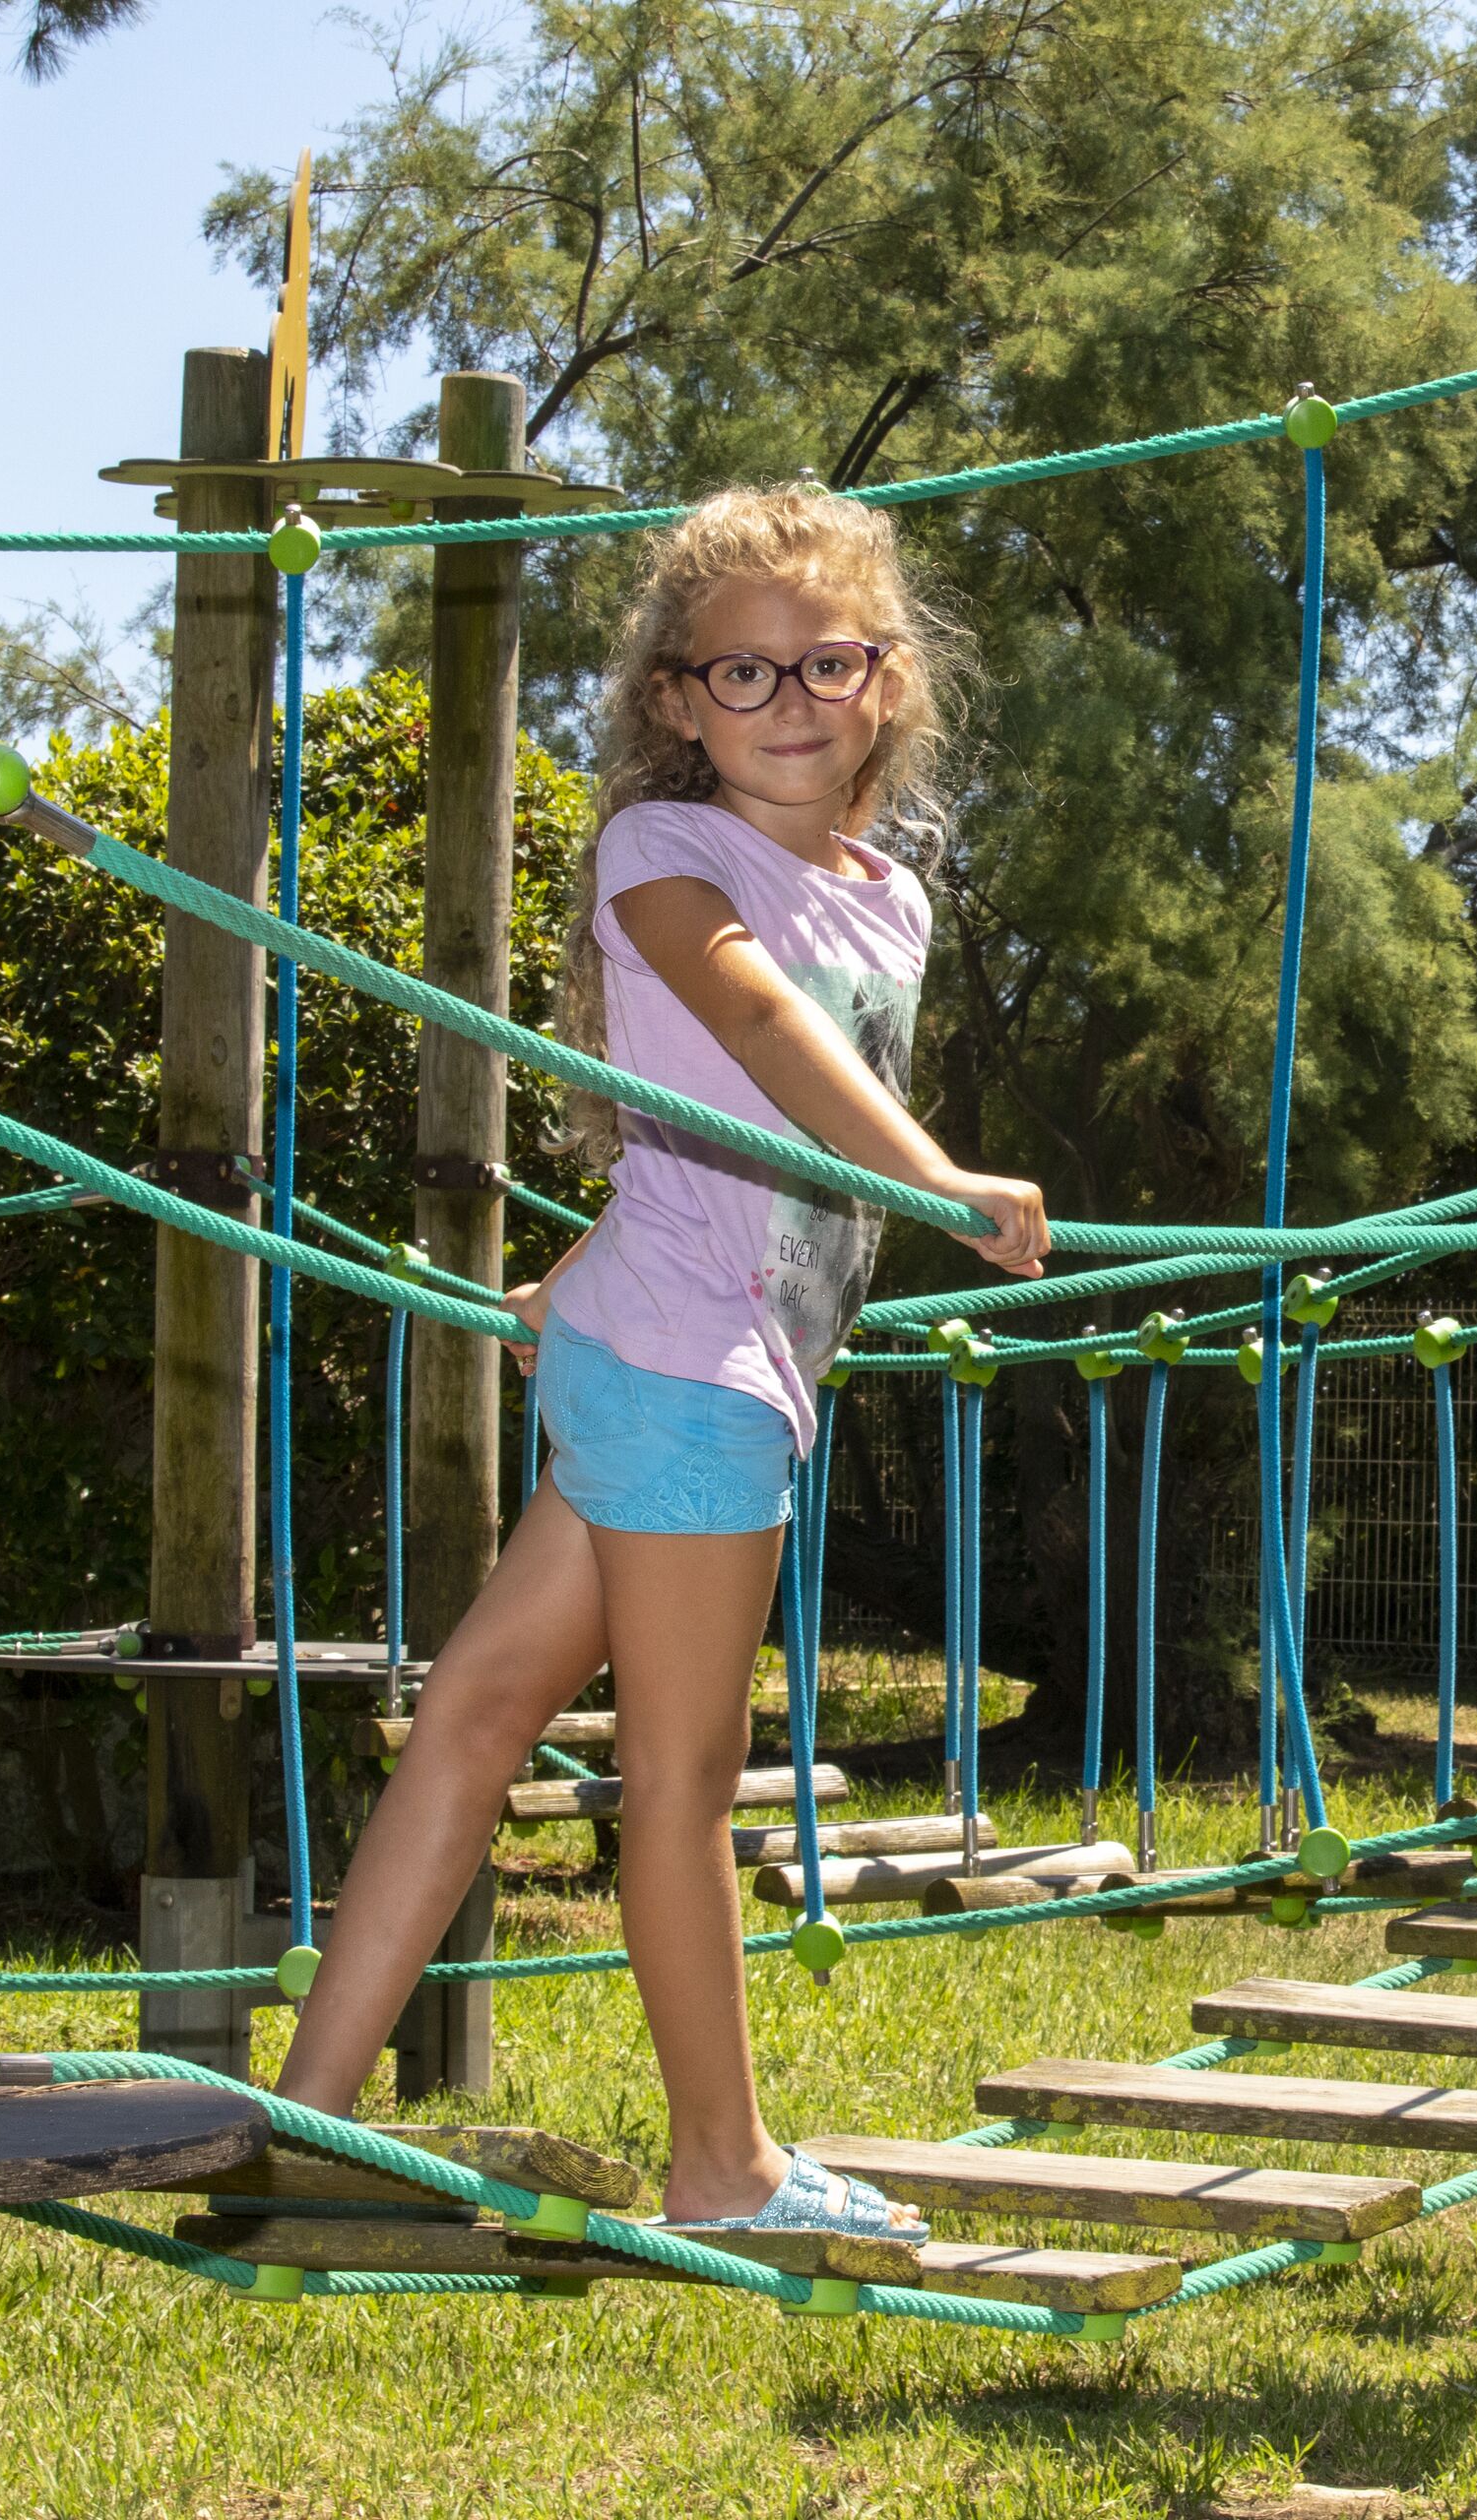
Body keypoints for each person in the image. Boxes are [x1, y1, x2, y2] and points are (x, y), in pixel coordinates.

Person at [274, 485, 1048, 2239]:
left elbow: (694, 1141)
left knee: (473, 1720)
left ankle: (301, 2128)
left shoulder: (893, 897)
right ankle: (725, 2171)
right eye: (745, 674)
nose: (791, 701)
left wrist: (585, 1264)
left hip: (658, 1339)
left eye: (826, 663)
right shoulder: (663, 856)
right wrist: (928, 1177)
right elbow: (752, 1025)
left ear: (888, 678)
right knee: (684, 1785)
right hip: (695, 1382)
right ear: (677, 702)